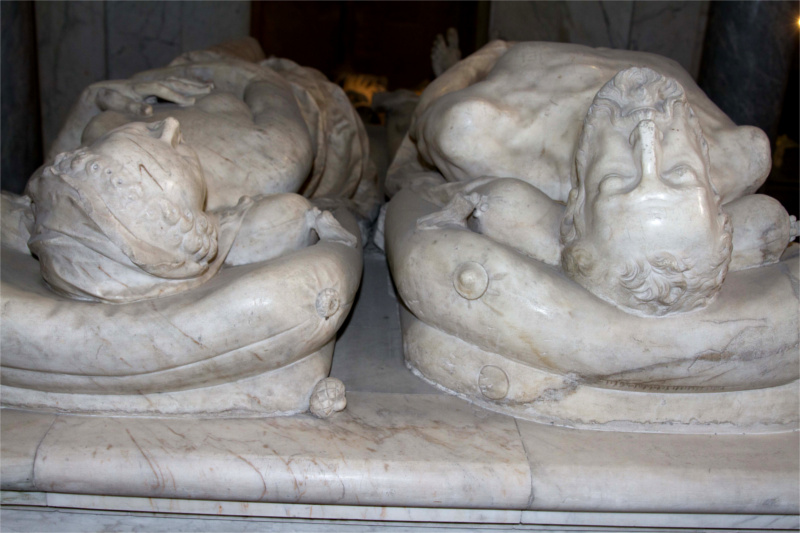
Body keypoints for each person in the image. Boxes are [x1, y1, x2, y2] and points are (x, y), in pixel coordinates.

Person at [406, 58, 796, 316]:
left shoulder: (474, 132)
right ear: (715, 199)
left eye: (615, 180)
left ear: (576, 205)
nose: (647, 136)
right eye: (679, 173)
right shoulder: (747, 154)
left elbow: (421, 116)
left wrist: (471, 62)